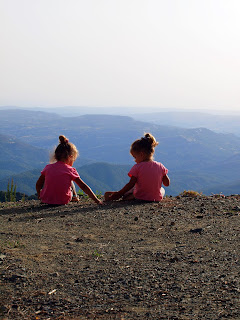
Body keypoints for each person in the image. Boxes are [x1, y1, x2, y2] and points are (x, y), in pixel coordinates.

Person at [36, 135, 102, 205]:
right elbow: (83, 186)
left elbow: (38, 184)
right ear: (70, 157)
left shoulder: (48, 167)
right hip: (63, 200)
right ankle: (75, 197)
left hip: (45, 199)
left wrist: (39, 194)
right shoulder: (70, 170)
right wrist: (97, 200)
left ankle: (50, 197)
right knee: (70, 179)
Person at [104, 133, 170, 202]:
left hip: (140, 197)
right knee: (162, 189)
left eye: (135, 157)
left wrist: (120, 193)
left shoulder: (137, 167)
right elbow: (167, 183)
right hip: (156, 198)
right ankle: (151, 194)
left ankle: (127, 196)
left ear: (141, 154)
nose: (135, 160)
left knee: (134, 188)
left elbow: (131, 184)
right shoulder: (160, 166)